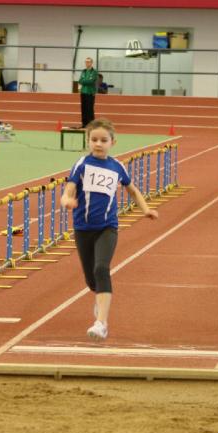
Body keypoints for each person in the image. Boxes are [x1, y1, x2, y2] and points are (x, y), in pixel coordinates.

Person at [60, 118, 158, 340]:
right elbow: (68, 190)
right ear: (88, 141)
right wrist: (66, 200)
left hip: (108, 227)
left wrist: (146, 209)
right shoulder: (82, 164)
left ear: (112, 142)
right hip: (83, 228)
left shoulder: (117, 166)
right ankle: (100, 299)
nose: (98, 144)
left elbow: (132, 191)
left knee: (101, 268)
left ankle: (101, 323)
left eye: (103, 140)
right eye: (94, 139)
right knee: (91, 280)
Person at [77, 57, 97, 127]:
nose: (87, 63)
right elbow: (80, 80)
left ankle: (91, 124)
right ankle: (84, 124)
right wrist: (83, 82)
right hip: (83, 92)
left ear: (91, 63)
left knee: (90, 109)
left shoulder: (94, 72)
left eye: (88, 62)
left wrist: (83, 81)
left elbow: (91, 81)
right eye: (86, 62)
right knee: (83, 109)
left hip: (90, 92)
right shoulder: (83, 71)